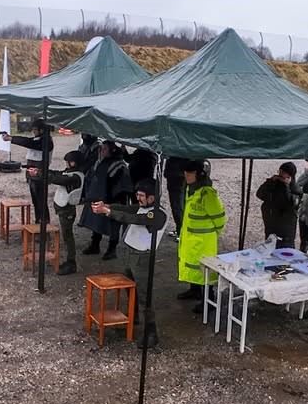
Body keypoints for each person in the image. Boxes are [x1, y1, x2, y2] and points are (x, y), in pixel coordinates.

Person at [91, 179, 167, 348]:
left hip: (142, 257)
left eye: (141, 196)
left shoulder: (157, 214)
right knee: (130, 288)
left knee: (144, 295)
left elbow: (133, 218)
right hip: (131, 254)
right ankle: (133, 319)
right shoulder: (144, 208)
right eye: (137, 195)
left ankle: (151, 331)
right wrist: (108, 206)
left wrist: (107, 212)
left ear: (152, 198)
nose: (138, 199)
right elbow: (126, 209)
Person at [175, 160, 226, 303]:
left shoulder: (207, 193)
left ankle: (209, 299)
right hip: (191, 238)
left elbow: (220, 218)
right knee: (193, 267)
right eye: (186, 172)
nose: (186, 175)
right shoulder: (190, 189)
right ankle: (195, 290)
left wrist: (213, 233)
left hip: (204, 241)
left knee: (205, 270)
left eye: (190, 172)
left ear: (199, 174)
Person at [28, 150, 85, 276]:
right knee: (66, 235)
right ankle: (70, 261)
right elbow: (56, 174)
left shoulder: (75, 176)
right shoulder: (72, 173)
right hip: (65, 209)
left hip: (67, 210)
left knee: (68, 237)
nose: (67, 164)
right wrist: (40, 172)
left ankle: (71, 262)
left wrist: (40, 173)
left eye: (68, 162)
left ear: (74, 163)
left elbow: (58, 178)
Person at [79, 140, 134, 260]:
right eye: (101, 149)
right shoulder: (101, 161)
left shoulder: (119, 165)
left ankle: (112, 250)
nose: (102, 151)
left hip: (115, 199)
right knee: (97, 221)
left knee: (113, 225)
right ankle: (95, 245)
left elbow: (123, 185)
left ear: (112, 150)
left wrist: (112, 200)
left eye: (104, 149)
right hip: (100, 197)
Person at [2, 119, 54, 223]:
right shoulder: (39, 139)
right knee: (36, 201)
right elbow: (28, 141)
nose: (33, 132)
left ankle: (44, 223)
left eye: (35, 129)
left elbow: (28, 142)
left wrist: (11, 138)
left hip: (39, 175)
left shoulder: (46, 141)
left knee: (41, 201)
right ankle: (39, 221)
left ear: (42, 130)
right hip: (33, 175)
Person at [256, 161, 299, 250]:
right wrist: (270, 181)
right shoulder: (274, 184)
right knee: (270, 250)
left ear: (290, 175)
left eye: (283, 172)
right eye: (280, 171)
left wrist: (287, 186)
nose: (280, 174)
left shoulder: (295, 188)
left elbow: (291, 203)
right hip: (271, 225)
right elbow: (260, 194)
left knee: (285, 253)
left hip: (286, 230)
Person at [163, 156, 189, 241]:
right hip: (179, 175)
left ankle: (180, 231)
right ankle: (181, 228)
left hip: (176, 175)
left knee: (177, 205)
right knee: (181, 203)